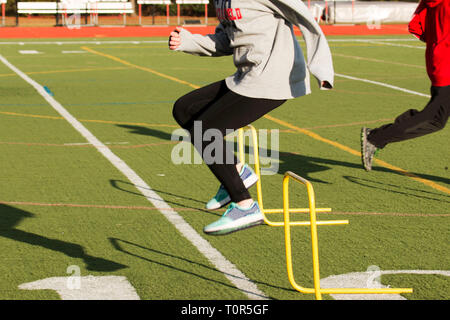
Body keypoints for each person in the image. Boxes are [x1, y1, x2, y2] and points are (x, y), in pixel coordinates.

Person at [169, 0, 334, 235]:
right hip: (247, 76)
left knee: (206, 130)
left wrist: (322, 68)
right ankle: (237, 171)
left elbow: (305, 18)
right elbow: (227, 41)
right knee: (184, 109)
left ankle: (245, 206)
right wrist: (188, 41)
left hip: (275, 77)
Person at [361, 0, 450, 171]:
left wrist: (437, 37)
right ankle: (375, 138)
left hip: (439, 61)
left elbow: (417, 27)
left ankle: (377, 136)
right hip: (447, 67)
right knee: (434, 117)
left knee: (435, 118)